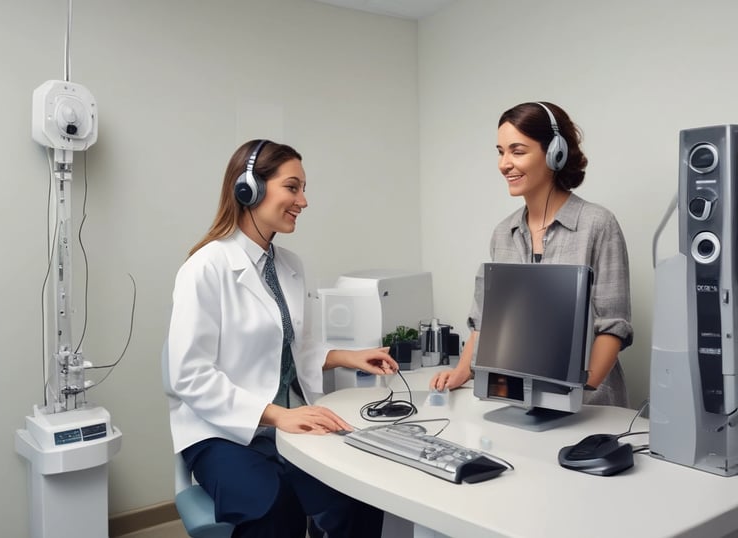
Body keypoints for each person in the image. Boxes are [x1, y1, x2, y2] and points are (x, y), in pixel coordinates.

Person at [166, 139, 397, 537]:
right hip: (220, 432)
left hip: (283, 426)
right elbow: (188, 376)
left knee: (360, 492)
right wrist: (278, 415)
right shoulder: (205, 267)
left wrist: (346, 356)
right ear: (249, 189)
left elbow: (293, 348)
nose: (303, 201)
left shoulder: (289, 266)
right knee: (275, 506)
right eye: (293, 187)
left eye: (304, 188)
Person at [431, 102, 633, 407]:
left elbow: (613, 327)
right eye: (500, 152)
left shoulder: (597, 224)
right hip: (519, 402)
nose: (504, 164)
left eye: (517, 151)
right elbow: (485, 322)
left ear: (555, 153)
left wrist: (577, 391)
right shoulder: (504, 233)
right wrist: (461, 372)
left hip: (589, 406)